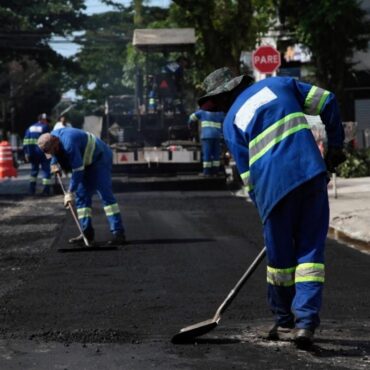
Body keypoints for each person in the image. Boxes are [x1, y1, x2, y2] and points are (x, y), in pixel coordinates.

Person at [197, 67, 346, 348]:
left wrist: (264, 209)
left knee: (280, 261)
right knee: (310, 254)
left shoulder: (231, 124)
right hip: (311, 174)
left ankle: (283, 319)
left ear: (223, 97)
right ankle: (306, 323)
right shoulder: (280, 84)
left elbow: (247, 178)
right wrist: (335, 147)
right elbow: (328, 101)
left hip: (273, 189)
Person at [37, 127, 126, 246]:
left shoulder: (69, 144)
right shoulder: (52, 139)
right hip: (85, 162)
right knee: (82, 197)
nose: (52, 153)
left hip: (100, 158)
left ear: (56, 142)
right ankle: (87, 234)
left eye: (53, 151)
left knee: (105, 194)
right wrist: (54, 164)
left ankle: (118, 233)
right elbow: (55, 154)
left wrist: (69, 192)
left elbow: (78, 171)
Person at [188, 106, 225, 176]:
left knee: (207, 154)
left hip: (207, 136)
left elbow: (191, 117)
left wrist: (190, 125)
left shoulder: (203, 112)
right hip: (217, 136)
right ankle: (215, 172)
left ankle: (207, 172)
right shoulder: (220, 113)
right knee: (216, 155)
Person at [23, 113, 52, 195]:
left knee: (34, 171)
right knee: (46, 170)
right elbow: (49, 140)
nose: (47, 122)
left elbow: (25, 141)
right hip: (43, 153)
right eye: (47, 121)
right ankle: (46, 190)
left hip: (32, 153)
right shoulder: (46, 127)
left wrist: (26, 153)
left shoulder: (30, 128)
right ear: (43, 120)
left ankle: (32, 190)